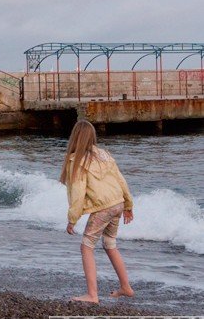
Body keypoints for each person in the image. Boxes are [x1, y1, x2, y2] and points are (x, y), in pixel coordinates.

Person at [59, 119, 135, 304]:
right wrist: (128, 205)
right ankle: (126, 287)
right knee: (109, 244)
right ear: (92, 136)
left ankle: (92, 295)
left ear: (74, 138)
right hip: (117, 203)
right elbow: (121, 180)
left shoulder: (76, 161)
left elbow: (78, 192)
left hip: (104, 208)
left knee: (86, 246)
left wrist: (72, 218)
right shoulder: (104, 155)